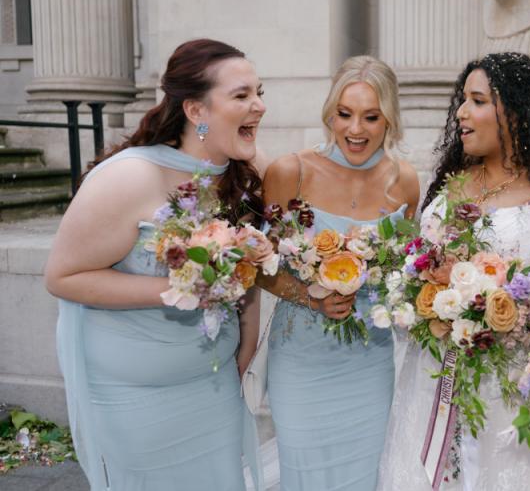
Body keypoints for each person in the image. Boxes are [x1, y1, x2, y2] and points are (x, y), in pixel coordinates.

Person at [378, 52, 530, 491]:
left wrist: (510, 316)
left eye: (477, 101)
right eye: (463, 100)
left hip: (518, 387)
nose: (462, 113)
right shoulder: (452, 185)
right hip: (436, 377)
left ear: (516, 110)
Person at [44, 38, 268, 491]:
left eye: (260, 93)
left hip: (213, 389)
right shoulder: (131, 177)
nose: (259, 107)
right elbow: (62, 277)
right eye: (242, 95)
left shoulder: (246, 171)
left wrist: (247, 338)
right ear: (197, 111)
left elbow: (248, 266)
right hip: (137, 403)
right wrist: (180, 287)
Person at [256, 55, 419, 491]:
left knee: (365, 474)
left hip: (369, 360)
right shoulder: (290, 172)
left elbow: (407, 269)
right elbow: (258, 266)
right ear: (330, 112)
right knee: (305, 472)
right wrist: (311, 295)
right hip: (302, 359)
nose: (355, 130)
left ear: (390, 119)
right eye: (344, 114)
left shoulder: (404, 182)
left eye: (371, 116)